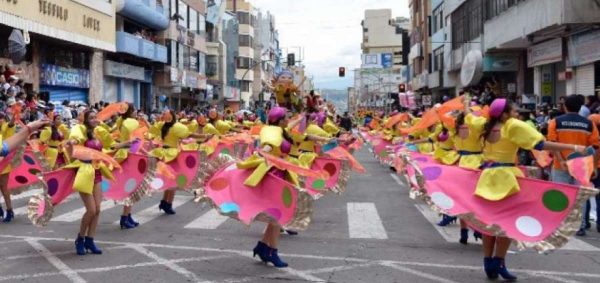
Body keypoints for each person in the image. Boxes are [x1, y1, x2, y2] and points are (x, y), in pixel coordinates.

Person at [547, 94, 600, 236]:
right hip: (581, 167)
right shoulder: (589, 123)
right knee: (579, 197)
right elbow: (595, 146)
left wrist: (562, 160)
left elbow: (553, 144)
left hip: (560, 165)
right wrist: (594, 166)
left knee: (560, 195)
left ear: (565, 106)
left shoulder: (555, 122)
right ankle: (580, 226)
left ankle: (560, 225)